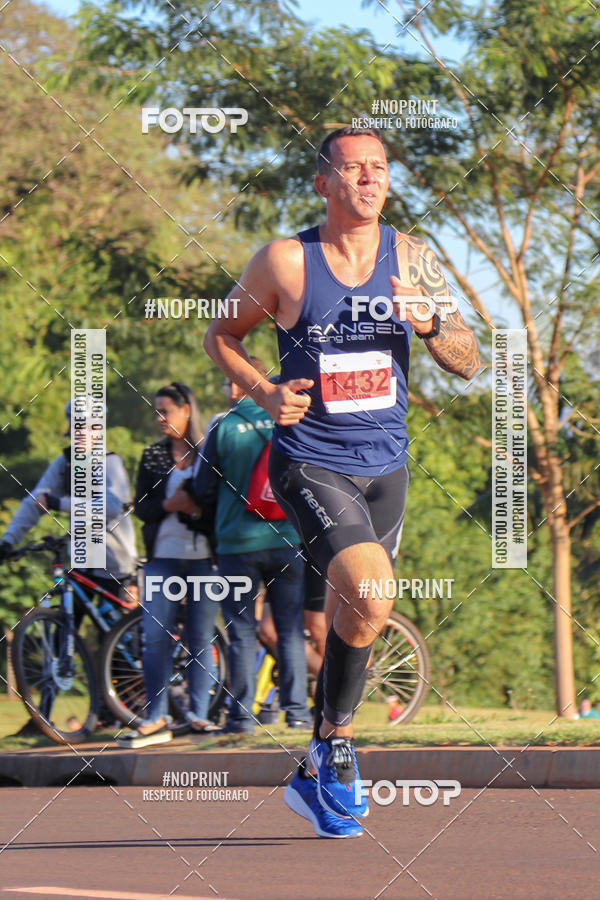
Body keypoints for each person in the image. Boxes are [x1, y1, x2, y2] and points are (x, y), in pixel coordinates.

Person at [204, 126, 480, 837]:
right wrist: (265, 392)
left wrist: (428, 324)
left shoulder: (413, 258)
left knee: (364, 613)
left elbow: (468, 357)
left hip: (387, 466)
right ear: (323, 183)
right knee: (373, 585)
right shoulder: (286, 261)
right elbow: (221, 335)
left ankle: (321, 752)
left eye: (379, 168)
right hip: (312, 459)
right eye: (352, 168)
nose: (368, 178)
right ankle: (341, 749)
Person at [192, 358, 311, 734]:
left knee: (241, 629)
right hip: (287, 539)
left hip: (236, 545)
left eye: (232, 381)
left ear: (243, 382)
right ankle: (297, 712)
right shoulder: (290, 419)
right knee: (291, 630)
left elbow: (201, 488)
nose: (229, 388)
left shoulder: (224, 426)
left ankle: (242, 716)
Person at [117, 382, 219, 748]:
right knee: (155, 638)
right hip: (162, 560)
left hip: (205, 560)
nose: (160, 418)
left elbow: (221, 507)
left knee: (200, 638)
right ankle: (154, 715)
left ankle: (200, 716)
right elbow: (141, 508)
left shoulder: (210, 452)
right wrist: (169, 506)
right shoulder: (153, 456)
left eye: (167, 411)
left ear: (187, 410)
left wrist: (196, 511)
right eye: (157, 411)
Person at [0, 400, 137, 599]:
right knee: (65, 624)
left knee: (115, 628)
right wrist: (8, 541)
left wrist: (59, 503)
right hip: (82, 564)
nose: (81, 431)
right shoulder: (65, 463)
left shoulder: (109, 463)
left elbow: (111, 507)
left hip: (114, 565)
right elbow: (35, 501)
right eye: (77, 425)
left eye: (89, 426)